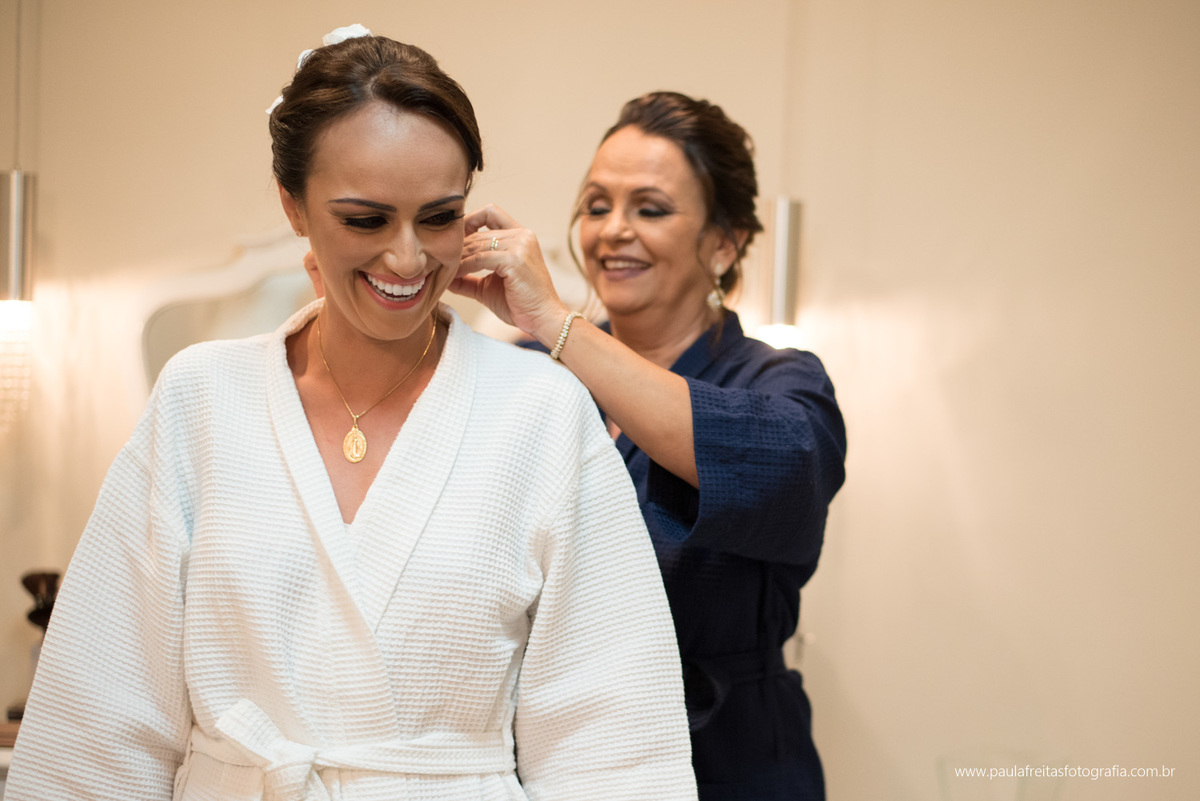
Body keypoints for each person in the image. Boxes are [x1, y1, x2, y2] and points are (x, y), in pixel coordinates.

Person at [5, 30, 697, 801]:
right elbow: (101, 725)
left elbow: (611, 748)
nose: (407, 258)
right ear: (293, 204)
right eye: (366, 220)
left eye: (439, 217)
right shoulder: (200, 398)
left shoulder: (541, 412)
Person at [453, 91, 847, 800]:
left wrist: (558, 323)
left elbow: (785, 467)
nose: (613, 231)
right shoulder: (529, 372)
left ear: (724, 243)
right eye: (597, 205)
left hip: (727, 766)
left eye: (651, 209)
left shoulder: (779, 381)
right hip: (551, 764)